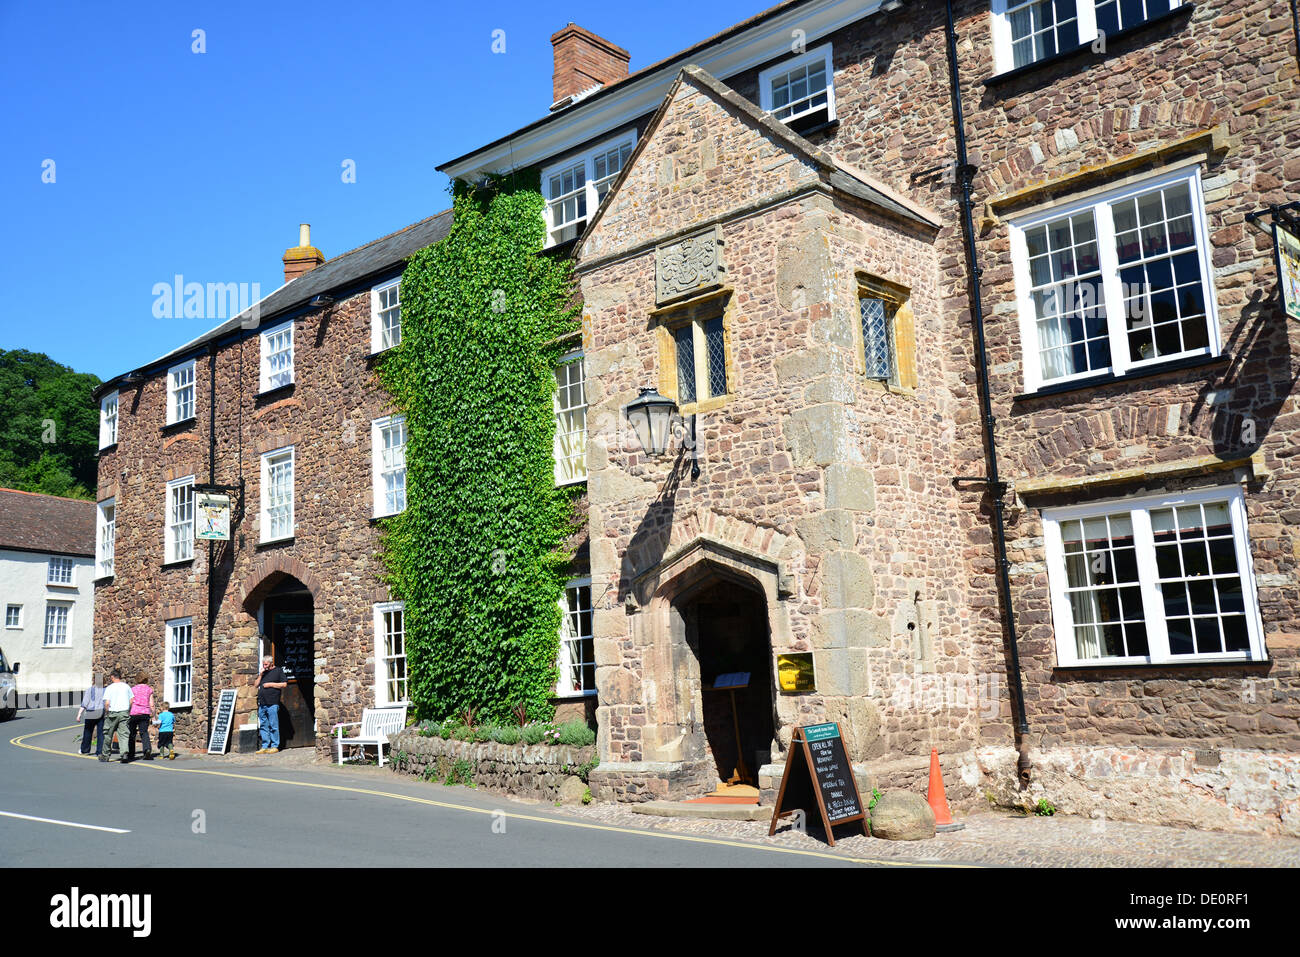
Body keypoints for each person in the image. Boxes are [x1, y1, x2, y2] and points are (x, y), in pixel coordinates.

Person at [255, 655, 287, 754]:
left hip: (272, 702)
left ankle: (275, 745)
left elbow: (284, 684)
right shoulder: (263, 672)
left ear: (271, 663)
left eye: (266, 664)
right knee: (263, 725)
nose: (264, 666)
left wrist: (270, 684)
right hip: (262, 703)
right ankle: (265, 746)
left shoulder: (278, 671)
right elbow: (255, 685)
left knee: (273, 725)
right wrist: (260, 675)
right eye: (263, 664)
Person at [101, 670, 132, 764]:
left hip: (112, 713)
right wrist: (128, 710)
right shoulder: (126, 687)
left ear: (112, 677)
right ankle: (124, 753)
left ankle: (105, 755)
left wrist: (107, 712)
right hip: (124, 712)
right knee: (123, 734)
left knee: (108, 734)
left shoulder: (109, 688)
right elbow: (131, 700)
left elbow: (107, 703)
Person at [125, 671, 155, 762]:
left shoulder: (132, 689)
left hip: (133, 713)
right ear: (146, 679)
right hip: (145, 713)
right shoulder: (149, 689)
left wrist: (128, 711)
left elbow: (130, 701)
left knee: (132, 733)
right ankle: (147, 750)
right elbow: (152, 704)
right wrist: (153, 714)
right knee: (144, 732)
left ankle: (131, 753)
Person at [76, 676, 106, 756]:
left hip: (91, 712)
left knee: (88, 731)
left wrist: (79, 714)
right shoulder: (105, 690)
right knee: (101, 733)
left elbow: (84, 704)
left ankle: (85, 750)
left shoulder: (90, 690)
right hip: (101, 711)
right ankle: (100, 751)